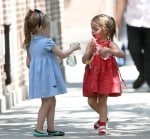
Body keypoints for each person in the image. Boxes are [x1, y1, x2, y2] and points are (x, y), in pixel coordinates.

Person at [23, 9, 81, 137]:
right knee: (48, 102)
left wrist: (41, 64)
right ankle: (38, 128)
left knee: (51, 100)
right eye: (48, 28)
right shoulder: (47, 42)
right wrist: (74, 48)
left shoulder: (30, 43)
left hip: (38, 77)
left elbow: (28, 63)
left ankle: (51, 128)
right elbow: (62, 55)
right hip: (47, 77)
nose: (49, 30)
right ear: (41, 28)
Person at [82, 14, 125, 135]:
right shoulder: (91, 44)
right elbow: (84, 60)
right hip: (92, 76)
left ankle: (102, 125)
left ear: (105, 30)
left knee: (102, 101)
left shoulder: (109, 44)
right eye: (92, 28)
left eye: (96, 29)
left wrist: (109, 50)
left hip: (106, 76)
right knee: (91, 101)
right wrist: (89, 52)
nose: (92, 31)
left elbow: (121, 54)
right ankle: (104, 116)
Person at [116, 0, 150, 90]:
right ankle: (143, 74)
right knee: (133, 48)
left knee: (149, 55)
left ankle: (147, 77)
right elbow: (121, 1)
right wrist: (117, 19)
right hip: (133, 20)